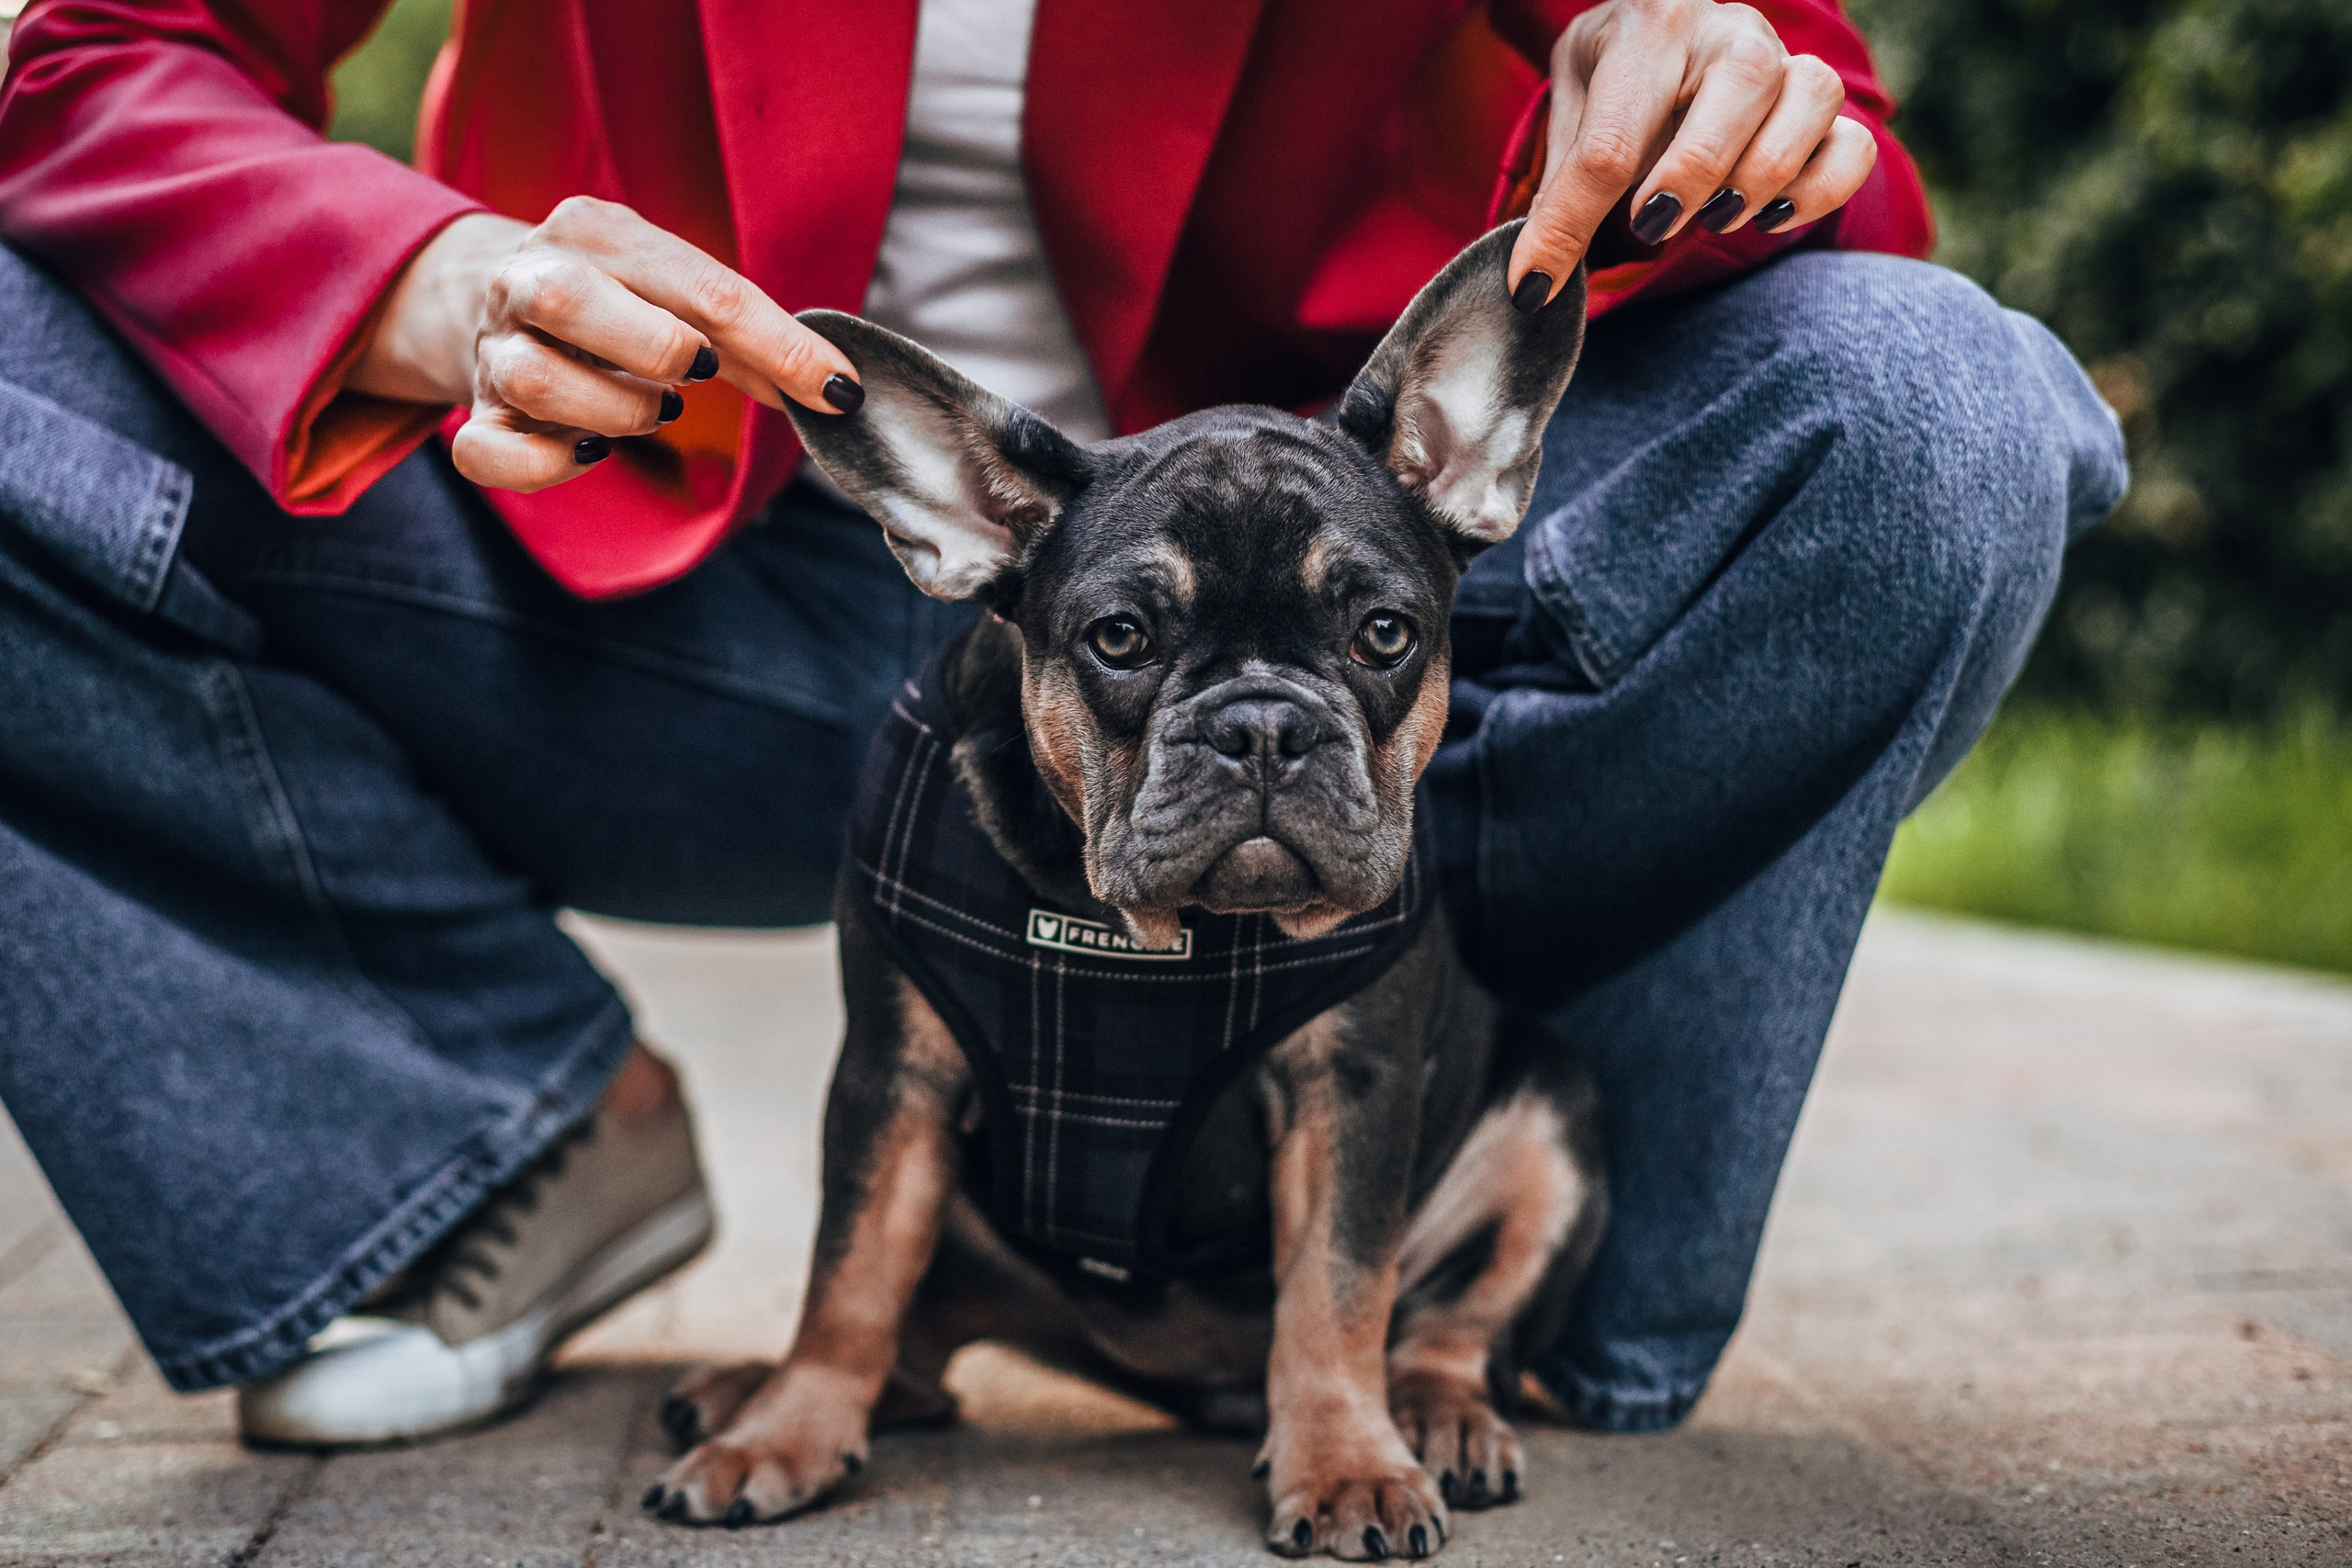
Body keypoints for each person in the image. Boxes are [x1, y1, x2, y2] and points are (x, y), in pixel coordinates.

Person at [0, 0, 2124, 1449]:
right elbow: (90, 58)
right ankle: (447, 1136)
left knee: (1938, 406)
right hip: (680, 585)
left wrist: (1721, 90)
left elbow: (1830, 161)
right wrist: (438, 283)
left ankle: (1473, 1245)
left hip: (1352, 609)